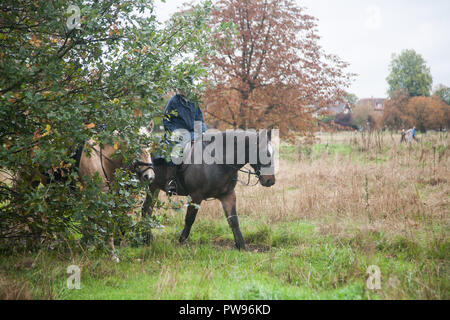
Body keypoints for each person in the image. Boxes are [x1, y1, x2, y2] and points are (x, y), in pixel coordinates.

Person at [162, 85, 206, 194]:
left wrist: (202, 131)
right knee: (176, 151)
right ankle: (171, 181)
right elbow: (166, 120)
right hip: (177, 133)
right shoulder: (173, 101)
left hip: (192, 133)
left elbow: (199, 119)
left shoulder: (193, 102)